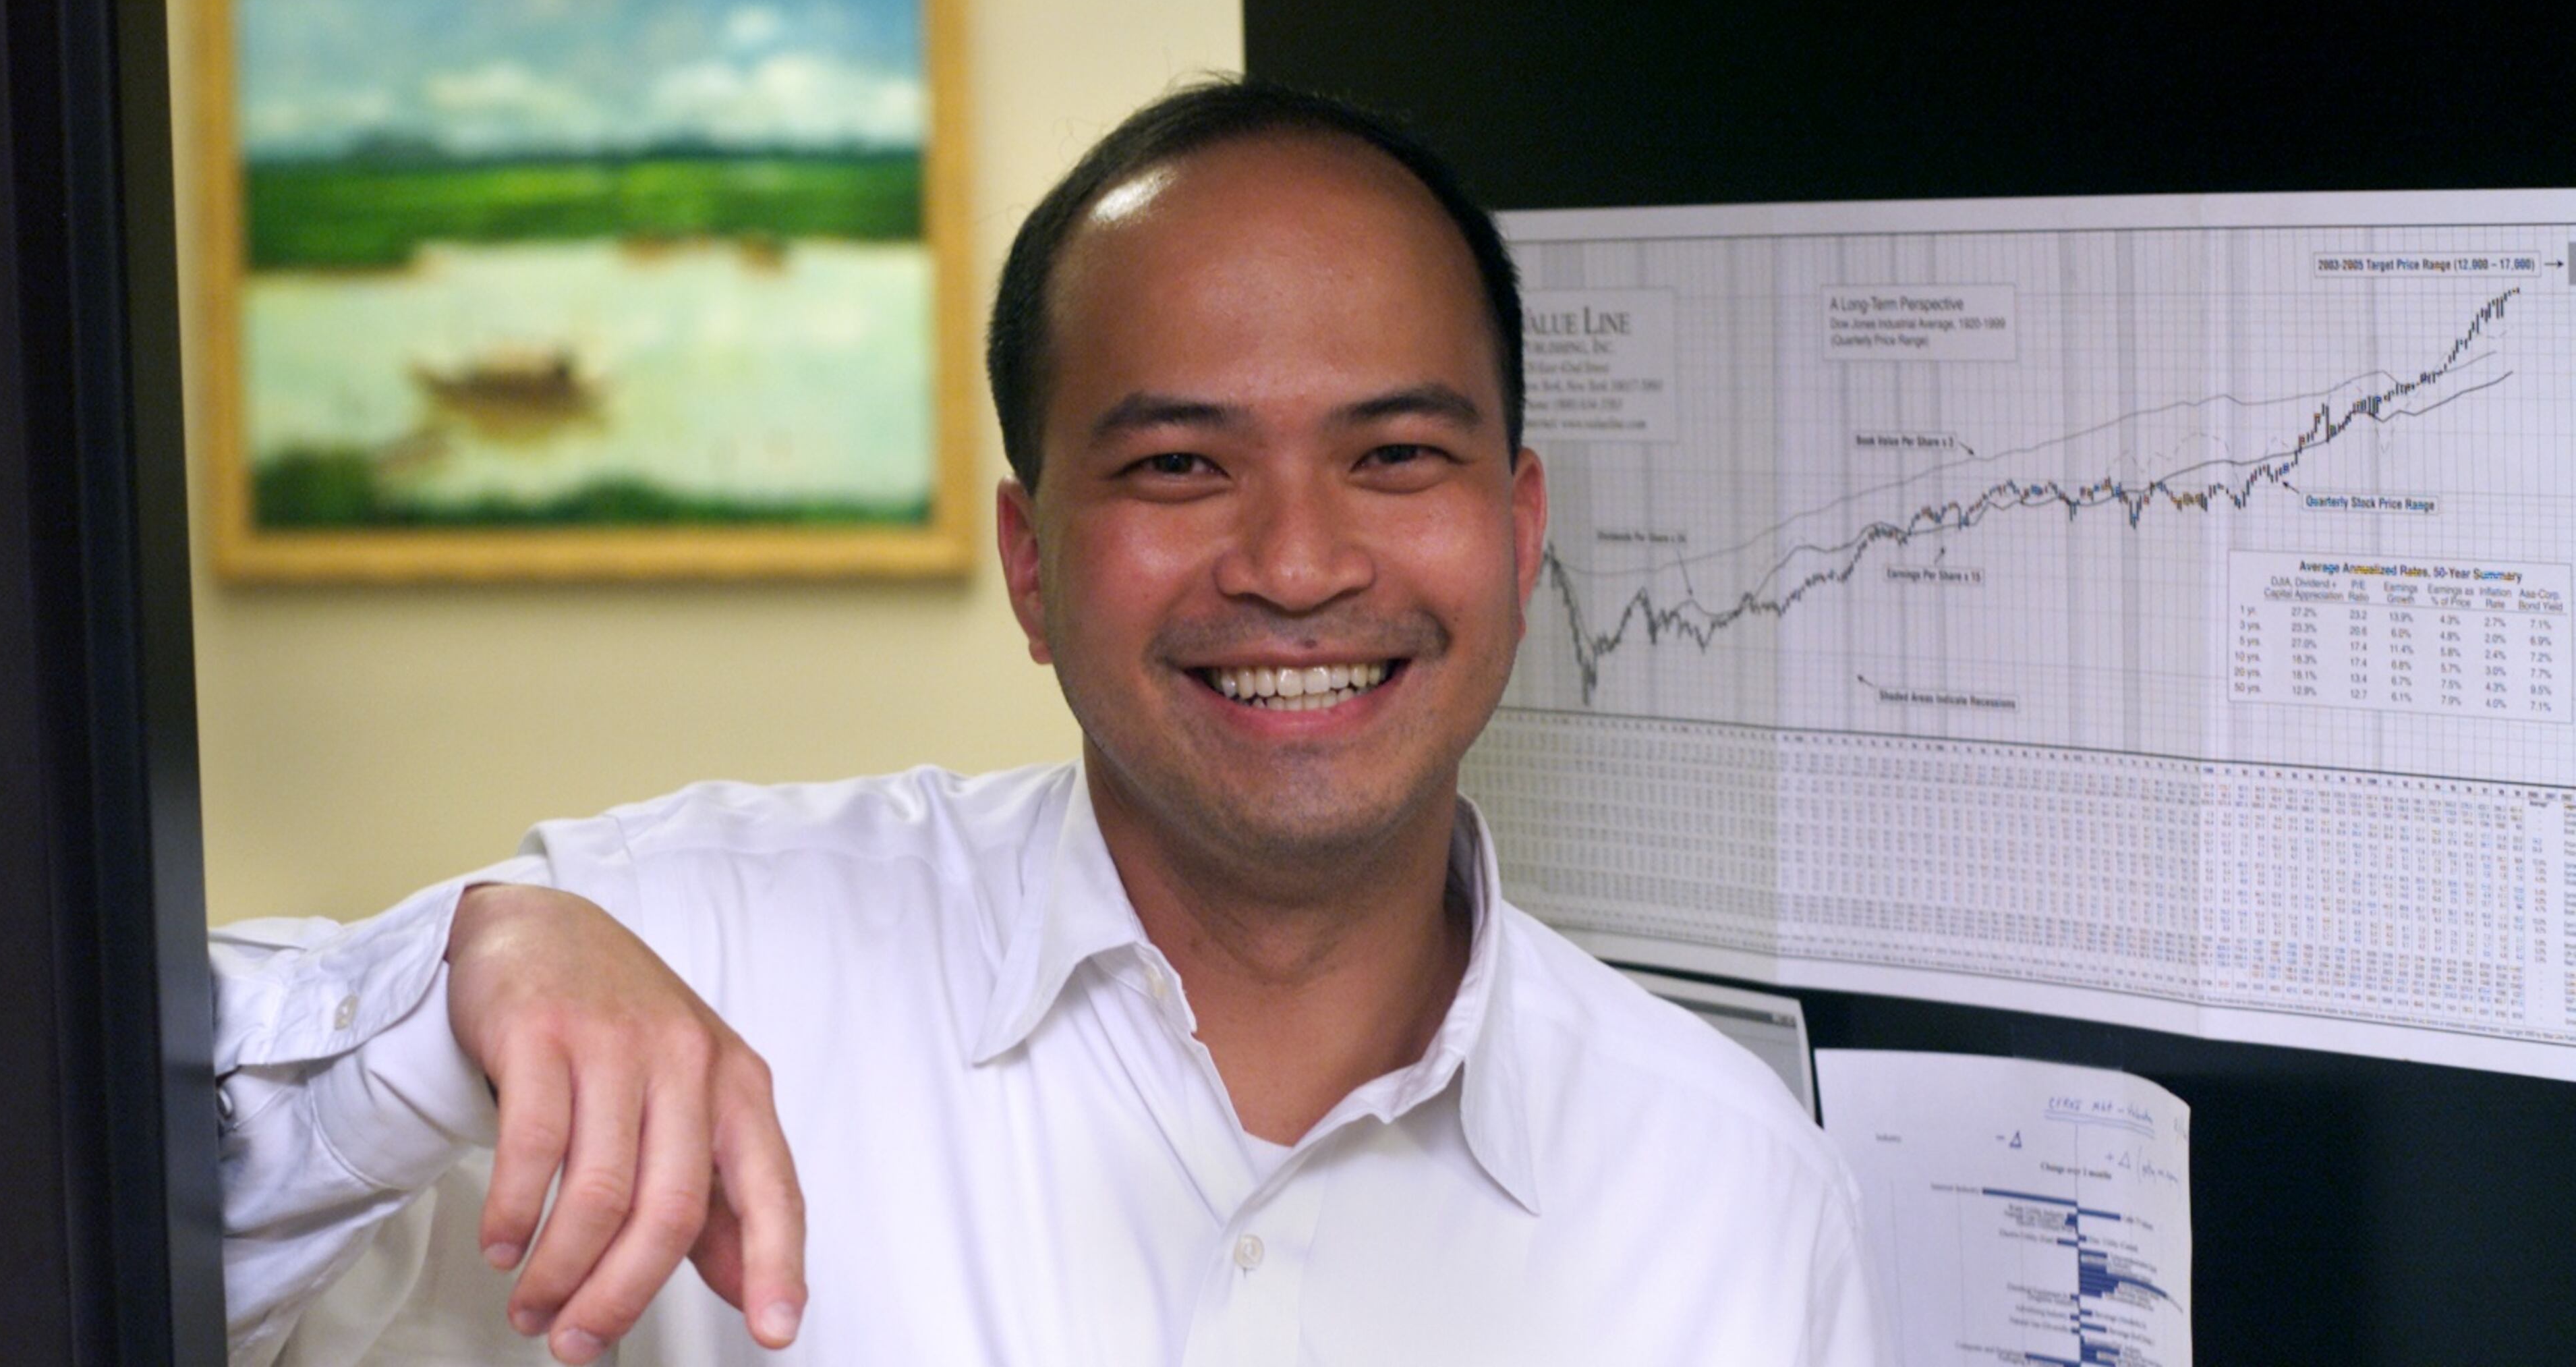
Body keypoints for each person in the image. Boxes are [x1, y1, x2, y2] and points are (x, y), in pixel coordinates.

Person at [213, 79, 1886, 1366]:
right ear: (1032, 564)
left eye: (1395, 457)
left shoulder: (1727, 1184)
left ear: (1521, 537)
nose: (1297, 563)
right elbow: (110, 1226)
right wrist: (449, 983)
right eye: (1178, 466)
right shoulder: (675, 957)